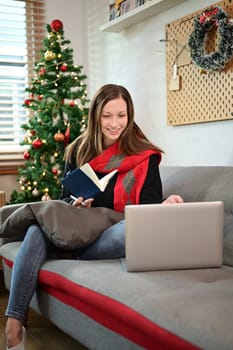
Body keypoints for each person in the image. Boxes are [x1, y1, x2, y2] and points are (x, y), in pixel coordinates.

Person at [4, 84, 183, 350]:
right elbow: (64, 201)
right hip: (79, 226)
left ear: (129, 115)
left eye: (121, 115)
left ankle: (65, 250)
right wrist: (75, 203)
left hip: (112, 232)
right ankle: (14, 324)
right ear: (95, 116)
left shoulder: (146, 157)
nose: (114, 123)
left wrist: (165, 205)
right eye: (107, 116)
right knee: (38, 228)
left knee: (131, 231)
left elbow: (146, 211)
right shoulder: (78, 151)